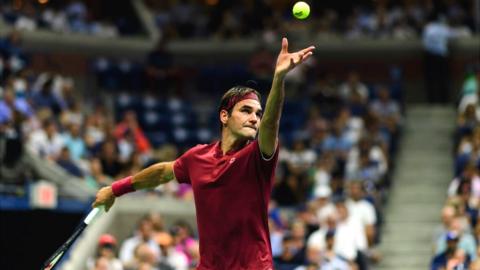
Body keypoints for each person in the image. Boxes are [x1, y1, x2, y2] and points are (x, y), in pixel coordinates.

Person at [92, 38, 315, 270]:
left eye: (258, 114)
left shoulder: (258, 157)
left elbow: (270, 124)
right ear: (224, 117)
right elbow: (161, 173)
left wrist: (279, 78)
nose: (254, 119)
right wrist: (114, 189)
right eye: (246, 110)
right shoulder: (198, 157)